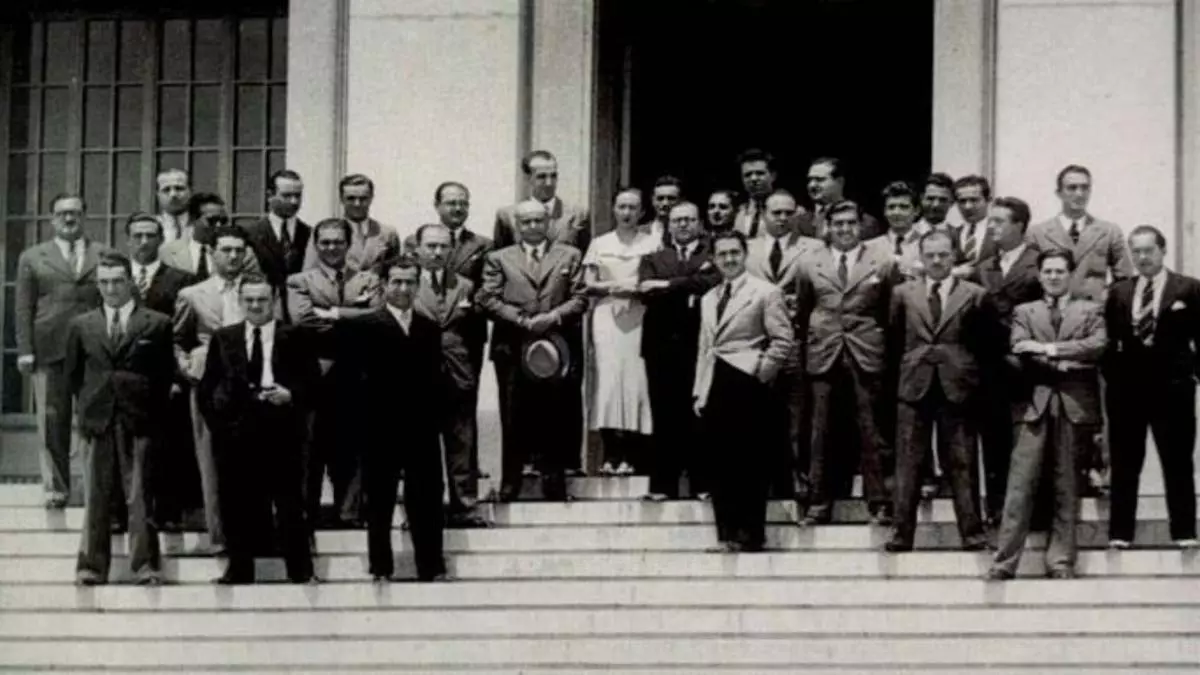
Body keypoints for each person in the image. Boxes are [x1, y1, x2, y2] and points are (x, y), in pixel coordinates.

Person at [988, 249, 1106, 580]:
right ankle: (1004, 562)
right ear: (1040, 276)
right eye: (1048, 271)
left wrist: (1047, 349)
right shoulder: (1025, 311)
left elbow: (1097, 346)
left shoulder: (1090, 309)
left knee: (1066, 485)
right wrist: (1067, 363)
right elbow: (1019, 347)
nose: (1054, 277)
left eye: (1060, 271)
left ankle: (1061, 562)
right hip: (1033, 405)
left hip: (1073, 406)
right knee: (1020, 485)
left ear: (1071, 275)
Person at [198, 273, 318, 585]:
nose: (255, 305)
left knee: (290, 503)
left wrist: (291, 395)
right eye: (249, 300)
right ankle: (239, 569)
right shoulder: (224, 338)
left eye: (262, 299)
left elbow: (314, 384)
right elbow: (207, 389)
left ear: (274, 301)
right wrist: (221, 427)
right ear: (240, 301)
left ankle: (300, 570)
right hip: (237, 433)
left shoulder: (295, 336)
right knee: (236, 503)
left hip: (282, 430)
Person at [337, 257, 447, 582]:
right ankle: (381, 567)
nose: (403, 288)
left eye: (410, 282)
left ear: (418, 285)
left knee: (426, 497)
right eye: (396, 281)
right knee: (379, 499)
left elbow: (434, 379)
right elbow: (350, 380)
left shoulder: (429, 328)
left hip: (420, 428)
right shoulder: (364, 326)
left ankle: (431, 566)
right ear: (384, 285)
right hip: (379, 427)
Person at [66, 251, 173, 585]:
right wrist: (87, 410)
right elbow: (74, 376)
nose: (111, 289)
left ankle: (145, 566)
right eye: (104, 282)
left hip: (139, 418)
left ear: (130, 282)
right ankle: (91, 567)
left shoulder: (157, 323)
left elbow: (164, 376)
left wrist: (148, 410)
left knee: (139, 495)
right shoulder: (81, 325)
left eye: (117, 281)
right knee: (96, 495)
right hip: (97, 418)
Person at [885, 230, 990, 552]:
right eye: (930, 255)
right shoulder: (902, 293)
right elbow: (894, 340)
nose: (936, 261)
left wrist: (968, 375)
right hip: (914, 384)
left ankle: (972, 533)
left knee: (962, 460)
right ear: (921, 258)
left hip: (956, 385)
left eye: (943, 254)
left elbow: (983, 344)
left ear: (954, 256)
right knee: (908, 461)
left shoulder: (975, 294)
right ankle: (901, 534)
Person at [796, 200, 898, 525]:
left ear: (860, 225)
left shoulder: (881, 261)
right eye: (838, 223)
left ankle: (880, 502)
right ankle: (818, 502)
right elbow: (804, 308)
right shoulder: (809, 262)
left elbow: (890, 310)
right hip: (824, 351)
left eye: (850, 223)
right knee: (821, 429)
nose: (844, 229)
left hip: (865, 351)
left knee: (872, 428)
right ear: (828, 227)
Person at [479, 200, 587, 502]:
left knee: (555, 414)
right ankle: (511, 483)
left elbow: (580, 297)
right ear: (517, 226)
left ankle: (554, 483)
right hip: (513, 346)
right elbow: (487, 298)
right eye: (526, 222)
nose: (533, 227)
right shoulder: (499, 258)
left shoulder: (569, 255)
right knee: (513, 414)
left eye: (539, 220)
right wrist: (522, 320)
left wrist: (553, 317)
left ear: (548, 223)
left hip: (556, 345)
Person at [693, 230, 794, 552]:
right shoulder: (709, 298)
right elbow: (705, 347)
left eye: (734, 253)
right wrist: (700, 391)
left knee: (749, 462)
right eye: (722, 254)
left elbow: (783, 340)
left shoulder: (765, 292)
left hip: (747, 382)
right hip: (716, 382)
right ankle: (726, 535)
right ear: (714, 258)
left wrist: (761, 372)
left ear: (745, 254)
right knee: (720, 463)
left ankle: (750, 535)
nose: (729, 259)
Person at [1104, 226, 1199, 549]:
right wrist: (1114, 379)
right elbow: (1109, 341)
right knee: (1125, 462)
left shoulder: (1188, 289)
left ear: (1163, 250)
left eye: (1149, 250)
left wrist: (1192, 375)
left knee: (1177, 461)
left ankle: (1184, 532)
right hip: (1127, 392)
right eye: (1136, 251)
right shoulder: (1119, 291)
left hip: (1173, 391)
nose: (1142, 257)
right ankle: (1120, 533)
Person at [286, 218, 382, 529]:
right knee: (310, 445)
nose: (331, 248)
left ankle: (349, 513)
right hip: (315, 374)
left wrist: (334, 313)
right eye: (325, 242)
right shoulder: (299, 281)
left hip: (356, 374)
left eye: (338, 242)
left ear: (348, 244)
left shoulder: (367, 279)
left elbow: (378, 316)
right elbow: (302, 320)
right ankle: (307, 514)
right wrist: (355, 318)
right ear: (316, 245)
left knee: (352, 445)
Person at [174, 224, 261, 554]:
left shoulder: (260, 290)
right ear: (212, 253)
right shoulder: (192, 294)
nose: (233, 256)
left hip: (253, 383)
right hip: (212, 386)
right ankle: (221, 538)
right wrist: (189, 368)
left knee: (253, 460)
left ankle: (256, 536)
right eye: (226, 250)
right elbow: (177, 340)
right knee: (211, 461)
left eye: (239, 250)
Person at [15, 193, 105, 508]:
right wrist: (25, 349)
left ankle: (95, 489)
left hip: (92, 350)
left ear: (84, 216)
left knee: (93, 418)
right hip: (49, 348)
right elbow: (23, 307)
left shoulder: (103, 254)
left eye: (75, 213)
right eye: (62, 213)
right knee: (52, 420)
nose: (69, 219)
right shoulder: (33, 257)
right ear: (52, 219)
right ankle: (56, 488)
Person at [639, 201, 722, 500]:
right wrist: (689, 282)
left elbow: (712, 283)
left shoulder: (712, 255)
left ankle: (702, 484)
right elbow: (646, 291)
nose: (683, 225)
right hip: (660, 345)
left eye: (689, 219)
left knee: (700, 413)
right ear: (668, 225)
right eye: (677, 220)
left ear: (699, 223)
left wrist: (667, 284)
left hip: (699, 343)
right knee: (664, 413)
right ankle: (663, 485)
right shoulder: (653, 257)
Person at [743, 190, 823, 498]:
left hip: (796, 340)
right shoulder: (747, 249)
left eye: (788, 213)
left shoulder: (813, 247)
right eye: (776, 212)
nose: (782, 218)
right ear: (764, 214)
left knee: (796, 415)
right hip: (756, 341)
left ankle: (795, 478)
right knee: (757, 414)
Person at [969, 197, 1043, 524]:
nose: (992, 227)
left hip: (1029, 368)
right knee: (994, 440)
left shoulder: (1038, 264)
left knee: (1029, 442)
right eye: (991, 222)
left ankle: (1034, 512)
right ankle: (998, 510)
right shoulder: (983, 267)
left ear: (1020, 226)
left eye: (999, 221)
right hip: (990, 368)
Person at [411, 223, 489, 528]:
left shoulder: (466, 286)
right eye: (430, 246)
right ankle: (422, 510)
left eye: (443, 246)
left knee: (461, 444)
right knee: (420, 447)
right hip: (419, 374)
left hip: (457, 374)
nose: (437, 252)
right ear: (418, 249)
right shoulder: (406, 284)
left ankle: (465, 507)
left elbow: (474, 332)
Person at [125, 212, 197, 530]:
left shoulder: (182, 279)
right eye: (137, 235)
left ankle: (168, 513)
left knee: (168, 446)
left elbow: (185, 334)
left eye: (150, 235)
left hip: (165, 377)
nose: (144, 241)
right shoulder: (115, 277)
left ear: (160, 239)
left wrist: (177, 376)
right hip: (126, 375)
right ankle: (124, 514)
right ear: (128, 239)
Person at [583, 188, 660, 475]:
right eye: (622, 207)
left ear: (642, 212)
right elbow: (588, 283)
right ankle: (610, 454)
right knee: (608, 381)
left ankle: (632, 455)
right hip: (607, 315)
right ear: (614, 209)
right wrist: (615, 287)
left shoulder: (652, 242)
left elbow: (658, 279)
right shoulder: (600, 243)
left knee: (635, 381)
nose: (627, 213)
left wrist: (635, 289)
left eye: (633, 208)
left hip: (639, 314)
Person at [494, 149, 591, 252]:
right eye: (541, 177)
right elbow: (500, 256)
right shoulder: (508, 216)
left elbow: (584, 255)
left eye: (553, 176)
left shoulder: (578, 215)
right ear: (527, 178)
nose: (549, 183)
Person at [302, 173, 401, 273]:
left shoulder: (387, 233)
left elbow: (396, 271)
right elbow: (309, 272)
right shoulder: (324, 232)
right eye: (351, 198)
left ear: (371, 198)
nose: (357, 204)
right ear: (341, 198)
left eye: (363, 198)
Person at [244, 170, 312, 313]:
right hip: (263, 311)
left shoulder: (311, 235)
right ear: (270, 196)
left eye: (298, 196)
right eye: (287, 196)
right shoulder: (250, 234)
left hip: (300, 312)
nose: (294, 202)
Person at [155, 169, 192, 243]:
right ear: (158, 195)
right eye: (166, 190)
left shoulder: (204, 226)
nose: (173, 194)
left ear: (190, 192)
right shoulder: (150, 227)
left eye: (179, 188)